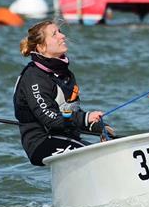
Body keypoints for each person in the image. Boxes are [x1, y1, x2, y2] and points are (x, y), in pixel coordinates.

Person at [13, 20, 105, 166]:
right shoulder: (34, 77)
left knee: (107, 149)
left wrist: (94, 125)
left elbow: (70, 111)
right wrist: (85, 118)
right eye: (54, 34)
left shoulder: (65, 74)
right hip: (42, 143)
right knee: (98, 157)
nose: (62, 36)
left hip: (65, 138)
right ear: (41, 47)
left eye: (60, 32)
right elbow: (51, 118)